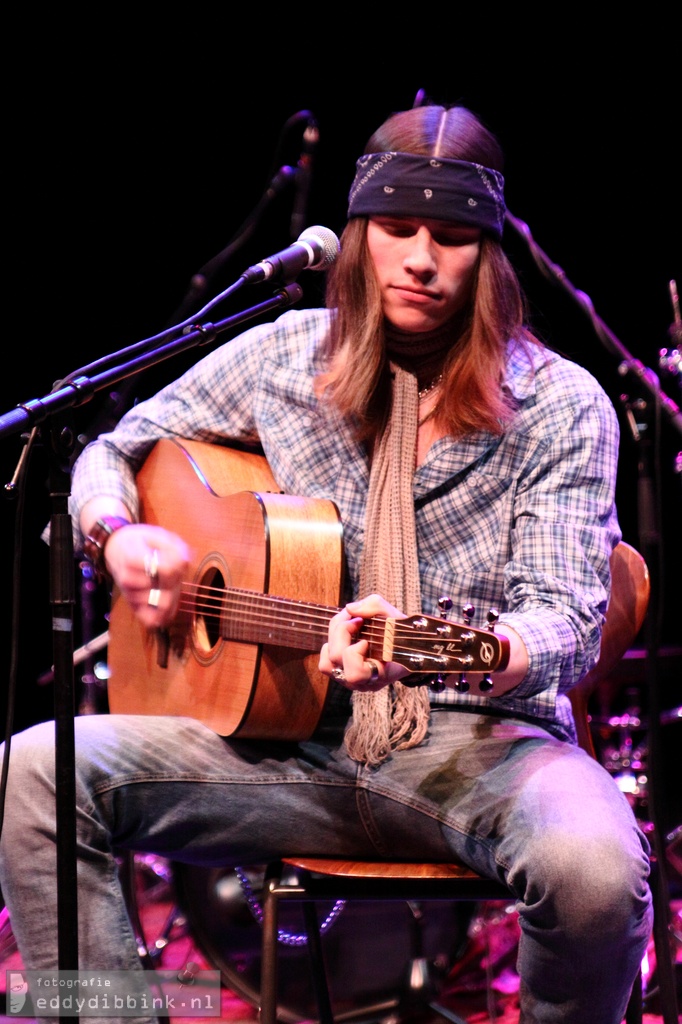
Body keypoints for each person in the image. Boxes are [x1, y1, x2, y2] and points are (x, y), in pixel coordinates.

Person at [0, 103, 652, 1023]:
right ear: (357, 239)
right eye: (397, 229)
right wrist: (117, 531)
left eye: (454, 236)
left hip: (488, 748)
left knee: (595, 873)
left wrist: (439, 651)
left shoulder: (556, 404)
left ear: (488, 257)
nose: (421, 257)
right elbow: (112, 445)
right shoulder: (284, 356)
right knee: (33, 772)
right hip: (293, 749)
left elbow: (565, 623)